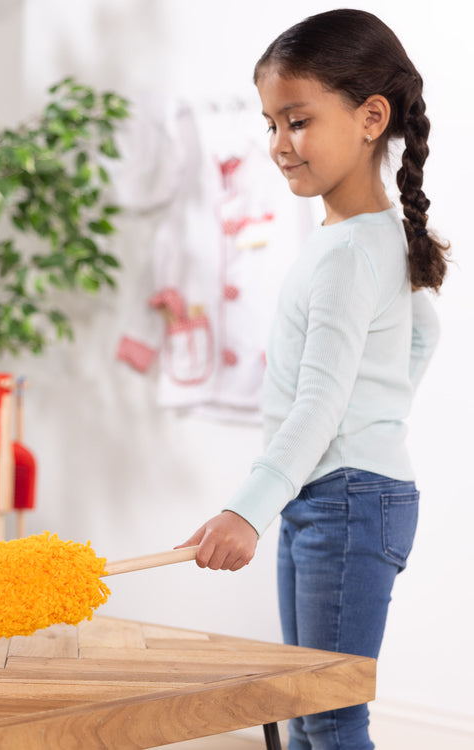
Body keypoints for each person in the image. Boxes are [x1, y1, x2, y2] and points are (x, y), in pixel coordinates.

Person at [177, 9, 449, 750]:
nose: (278, 146)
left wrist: (246, 510)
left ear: (371, 117)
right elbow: (423, 336)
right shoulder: (378, 239)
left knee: (326, 718)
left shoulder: (345, 255)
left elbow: (320, 405)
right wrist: (377, 419)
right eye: (270, 124)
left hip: (346, 501)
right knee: (311, 712)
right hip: (345, 495)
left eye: (297, 121)